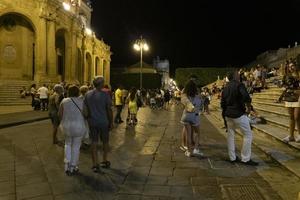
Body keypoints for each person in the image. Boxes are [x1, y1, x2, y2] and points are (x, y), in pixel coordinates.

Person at [221, 70, 258, 166]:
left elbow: (223, 104)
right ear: (234, 76)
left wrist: (224, 117)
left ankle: (232, 157)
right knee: (247, 135)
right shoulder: (239, 85)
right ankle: (245, 158)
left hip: (228, 115)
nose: (239, 75)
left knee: (230, 135)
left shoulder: (225, 88)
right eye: (237, 74)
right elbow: (246, 96)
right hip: (238, 114)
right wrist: (249, 107)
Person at [83, 76, 113, 173]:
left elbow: (85, 109)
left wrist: (88, 118)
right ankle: (104, 160)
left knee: (94, 142)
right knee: (105, 142)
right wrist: (111, 122)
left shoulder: (87, 94)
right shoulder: (105, 95)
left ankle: (95, 163)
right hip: (103, 122)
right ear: (101, 84)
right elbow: (109, 109)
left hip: (92, 122)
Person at [59, 85, 87, 175]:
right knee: (76, 146)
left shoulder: (64, 101)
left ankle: (67, 164)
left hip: (67, 126)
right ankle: (73, 166)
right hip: (78, 126)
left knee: (67, 144)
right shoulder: (82, 101)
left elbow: (60, 115)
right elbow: (86, 114)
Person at [180, 80, 203, 157]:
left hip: (186, 116)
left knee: (188, 134)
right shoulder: (198, 97)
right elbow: (199, 107)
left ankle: (189, 152)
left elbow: (183, 106)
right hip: (194, 116)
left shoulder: (184, 96)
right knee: (197, 133)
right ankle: (196, 149)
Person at [282, 62, 300, 142]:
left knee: (297, 117)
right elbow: (283, 85)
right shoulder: (287, 76)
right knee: (291, 117)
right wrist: (284, 88)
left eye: (292, 66)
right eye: (289, 67)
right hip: (289, 97)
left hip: (299, 96)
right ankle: (291, 136)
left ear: (295, 66)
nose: (291, 67)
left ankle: (299, 134)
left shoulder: (299, 74)